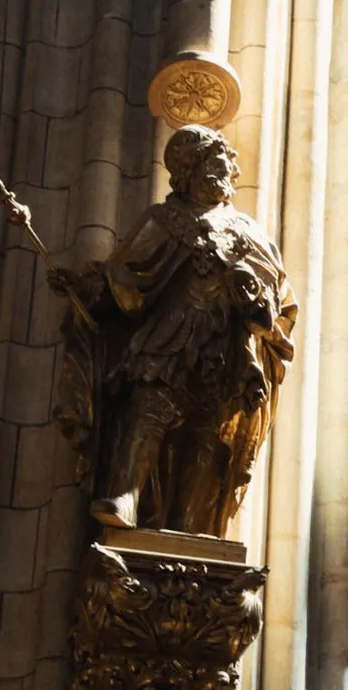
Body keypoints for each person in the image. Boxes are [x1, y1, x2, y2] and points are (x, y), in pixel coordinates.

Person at [52, 124, 296, 536]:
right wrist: (85, 287)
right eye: (211, 162)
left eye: (224, 163)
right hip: (170, 338)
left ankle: (190, 522)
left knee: (210, 433)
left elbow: (279, 299)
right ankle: (125, 494)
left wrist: (257, 302)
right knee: (149, 412)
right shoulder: (165, 220)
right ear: (188, 171)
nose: (223, 170)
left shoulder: (250, 232)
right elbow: (124, 277)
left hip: (225, 350)